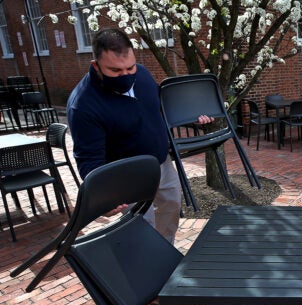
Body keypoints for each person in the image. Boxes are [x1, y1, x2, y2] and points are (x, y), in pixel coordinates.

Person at [67, 28, 211, 244]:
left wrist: (189, 116)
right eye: (115, 70)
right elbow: (88, 158)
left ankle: (166, 253)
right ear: (96, 65)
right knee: (142, 225)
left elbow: (160, 106)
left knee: (171, 208)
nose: (125, 75)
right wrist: (104, 194)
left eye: (130, 67)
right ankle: (148, 265)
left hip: (161, 163)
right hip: (127, 176)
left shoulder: (142, 74)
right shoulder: (83, 105)